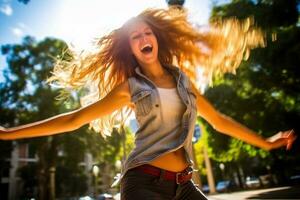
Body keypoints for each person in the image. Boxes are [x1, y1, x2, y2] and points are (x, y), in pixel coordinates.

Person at [0, 7, 296, 200]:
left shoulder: (184, 82)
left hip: (185, 185)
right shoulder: (130, 88)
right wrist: (6, 133)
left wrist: (266, 143)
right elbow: (74, 119)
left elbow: (218, 120)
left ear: (156, 38)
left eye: (147, 32)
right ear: (131, 48)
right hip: (143, 184)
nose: (143, 37)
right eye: (135, 36)